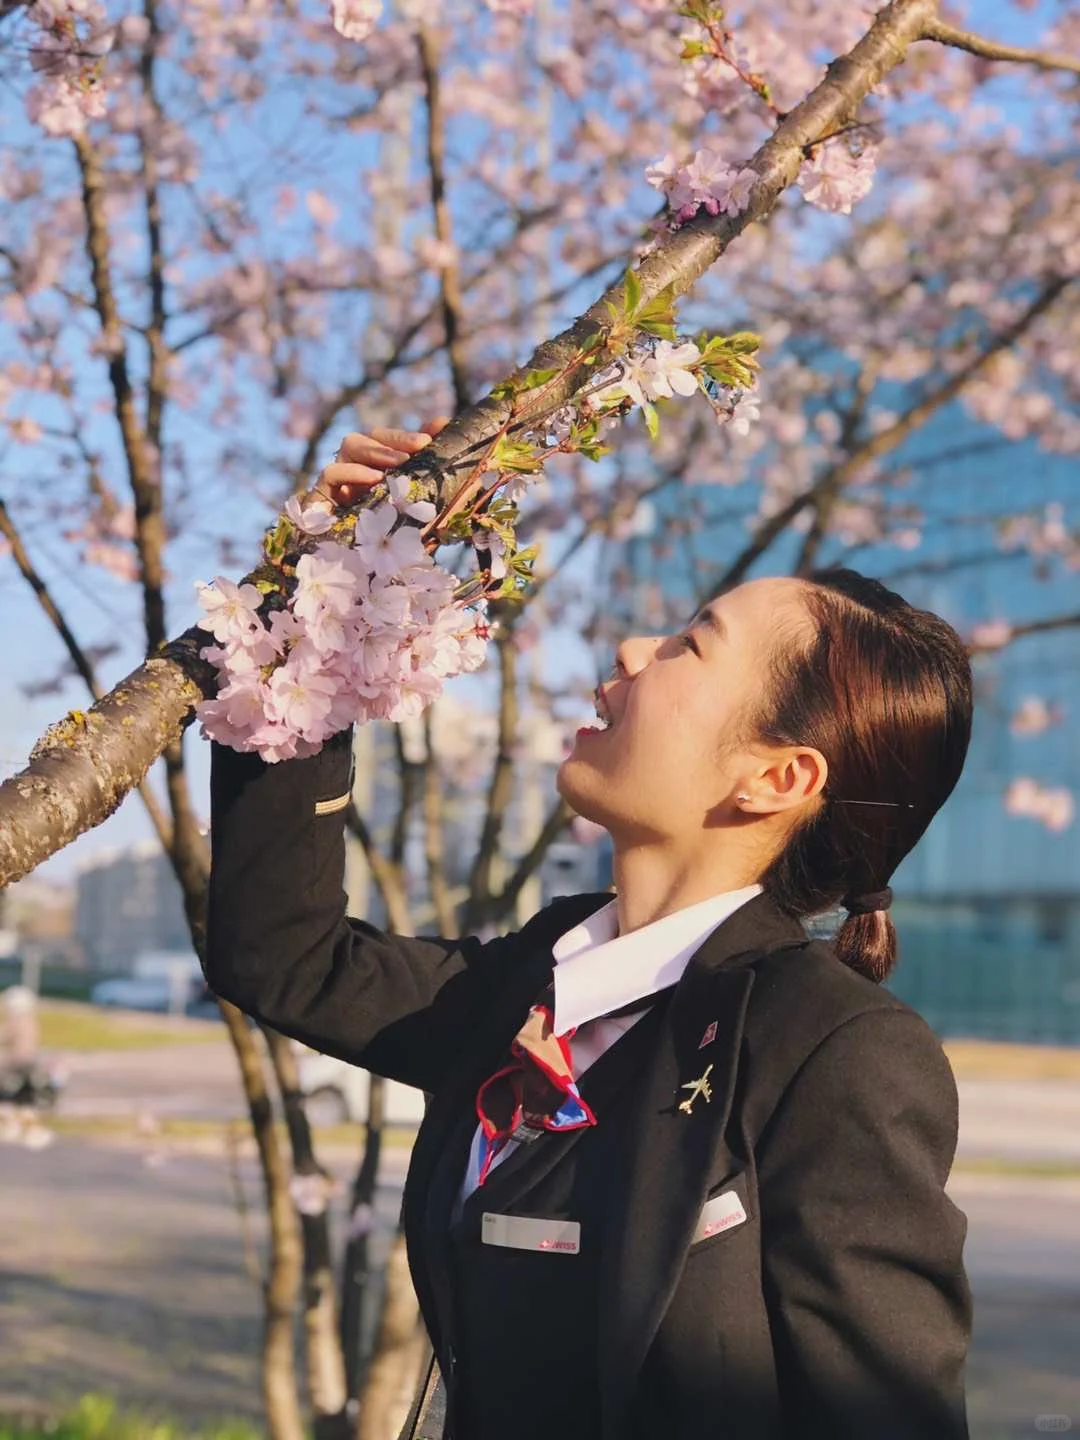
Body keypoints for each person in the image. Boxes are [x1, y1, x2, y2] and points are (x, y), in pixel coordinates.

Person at [204, 423, 973, 1440]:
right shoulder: (534, 979)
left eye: (689, 644)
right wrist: (320, 605)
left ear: (776, 777)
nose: (628, 651)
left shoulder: (834, 1053)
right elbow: (283, 955)